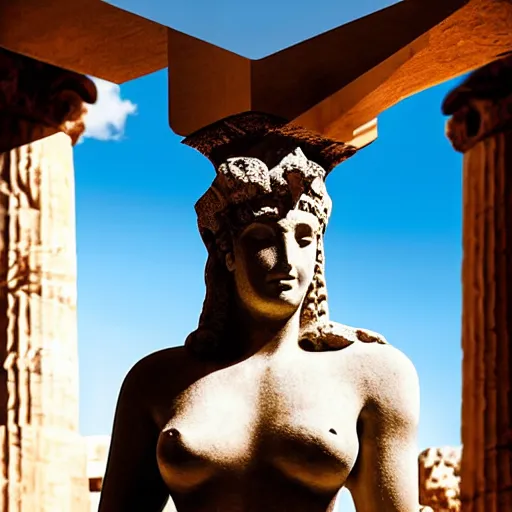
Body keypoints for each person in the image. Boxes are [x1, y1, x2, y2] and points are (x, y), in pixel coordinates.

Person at [98, 113, 421, 512]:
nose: (288, 260)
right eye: (264, 238)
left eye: (304, 238)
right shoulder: (155, 381)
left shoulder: (374, 374)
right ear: (227, 252)